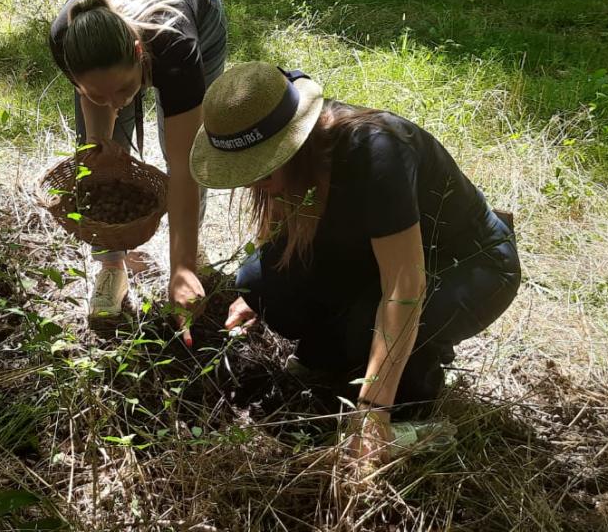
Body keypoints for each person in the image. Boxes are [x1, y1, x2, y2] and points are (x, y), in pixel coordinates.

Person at [189, 62, 520, 464]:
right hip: (377, 256)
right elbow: (282, 229)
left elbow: (403, 287)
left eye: (259, 168)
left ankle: (411, 397)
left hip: (470, 263)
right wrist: (260, 292)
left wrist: (372, 411)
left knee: (366, 324)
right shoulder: (298, 165)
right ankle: (333, 354)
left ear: (292, 145)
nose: (249, 182)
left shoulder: (376, 152)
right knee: (257, 282)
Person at [48, 0, 227, 333]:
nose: (117, 104)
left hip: (199, 16)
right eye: (99, 95)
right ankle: (112, 266)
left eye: (126, 90)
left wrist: (181, 268)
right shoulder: (67, 40)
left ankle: (188, 254)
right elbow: (99, 112)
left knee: (186, 149)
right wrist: (100, 143)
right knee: (96, 159)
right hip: (108, 40)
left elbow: (184, 168)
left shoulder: (176, 50)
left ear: (139, 53)